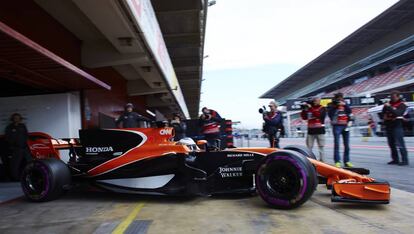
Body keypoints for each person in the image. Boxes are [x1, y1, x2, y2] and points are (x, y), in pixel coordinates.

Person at [382, 90, 409, 166]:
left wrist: (389, 107)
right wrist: (385, 114)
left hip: (397, 126)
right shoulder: (388, 104)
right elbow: (383, 113)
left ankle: (405, 160)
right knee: (391, 144)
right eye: (391, 97)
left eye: (393, 97)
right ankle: (395, 159)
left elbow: (397, 113)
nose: (392, 98)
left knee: (400, 143)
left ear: (398, 96)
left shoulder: (402, 105)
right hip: (389, 125)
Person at [327, 93, 353, 168]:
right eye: (338, 98)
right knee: (337, 144)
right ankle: (337, 161)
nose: (340, 100)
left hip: (345, 125)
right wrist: (335, 106)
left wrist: (344, 105)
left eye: (341, 98)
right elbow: (330, 114)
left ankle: (347, 161)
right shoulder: (331, 104)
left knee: (347, 145)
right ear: (335, 98)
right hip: (337, 126)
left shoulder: (345, 103)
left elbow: (349, 112)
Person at [5, 113, 31, 181]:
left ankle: (31, 176)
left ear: (20, 119)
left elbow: (26, 135)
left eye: (18, 118)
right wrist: (12, 145)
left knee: (30, 162)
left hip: (25, 148)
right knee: (15, 165)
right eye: (15, 118)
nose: (17, 119)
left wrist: (27, 144)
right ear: (12, 119)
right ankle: (16, 179)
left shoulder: (22, 126)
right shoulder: (9, 127)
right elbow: (7, 138)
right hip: (16, 149)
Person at [301, 97, 326, 162]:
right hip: (310, 131)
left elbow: (318, 115)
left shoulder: (322, 108)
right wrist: (304, 110)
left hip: (320, 130)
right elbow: (304, 117)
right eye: (313, 100)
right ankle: (309, 160)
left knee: (321, 147)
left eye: (316, 100)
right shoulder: (309, 108)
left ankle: (322, 160)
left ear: (319, 101)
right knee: (309, 147)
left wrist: (310, 108)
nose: (314, 102)